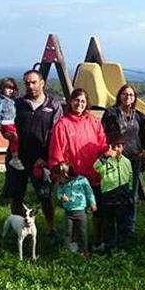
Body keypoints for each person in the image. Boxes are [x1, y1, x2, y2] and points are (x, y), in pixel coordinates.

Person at [3, 70, 63, 240]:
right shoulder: (17, 104)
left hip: (41, 162)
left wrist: (46, 159)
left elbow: (56, 135)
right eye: (27, 83)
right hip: (18, 160)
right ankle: (19, 230)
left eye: (33, 82)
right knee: (16, 196)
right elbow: (7, 126)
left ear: (42, 83)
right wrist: (6, 133)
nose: (30, 86)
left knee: (45, 196)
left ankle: (51, 230)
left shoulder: (54, 105)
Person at [48, 87, 108, 248]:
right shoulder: (62, 124)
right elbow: (57, 150)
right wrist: (60, 172)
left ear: (87, 103)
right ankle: (74, 242)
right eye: (76, 100)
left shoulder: (94, 122)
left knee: (97, 209)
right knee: (75, 211)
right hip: (73, 178)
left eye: (82, 101)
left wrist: (107, 152)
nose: (79, 104)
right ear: (70, 102)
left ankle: (97, 240)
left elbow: (102, 143)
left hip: (93, 173)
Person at [101, 83, 145, 237]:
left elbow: (141, 137)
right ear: (119, 96)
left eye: (131, 95)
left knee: (132, 196)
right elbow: (103, 134)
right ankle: (113, 231)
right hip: (116, 160)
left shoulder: (139, 116)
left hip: (134, 160)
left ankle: (129, 229)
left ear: (134, 98)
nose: (128, 97)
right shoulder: (110, 114)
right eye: (125, 94)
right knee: (114, 195)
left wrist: (143, 152)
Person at [94, 133, 135, 251]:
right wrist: (105, 156)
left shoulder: (126, 161)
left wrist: (130, 191)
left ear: (123, 147)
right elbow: (96, 167)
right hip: (108, 194)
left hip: (123, 193)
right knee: (108, 222)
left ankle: (122, 245)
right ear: (110, 147)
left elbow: (131, 176)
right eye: (114, 146)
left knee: (122, 220)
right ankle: (109, 245)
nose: (117, 149)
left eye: (119, 146)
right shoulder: (105, 160)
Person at [53, 161, 97, 256]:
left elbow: (89, 192)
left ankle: (85, 251)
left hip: (80, 211)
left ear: (65, 174)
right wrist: (61, 197)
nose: (58, 180)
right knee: (68, 232)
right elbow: (59, 193)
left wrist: (92, 203)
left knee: (82, 231)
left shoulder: (82, 180)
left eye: (59, 177)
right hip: (69, 212)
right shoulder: (62, 184)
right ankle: (68, 251)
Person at [0, 77, 24, 170]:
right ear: (2, 88)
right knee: (15, 137)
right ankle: (14, 158)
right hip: (6, 123)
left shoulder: (14, 99)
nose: (10, 91)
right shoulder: (0, 99)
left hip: (13, 122)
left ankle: (17, 154)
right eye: (8, 88)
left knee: (18, 138)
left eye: (12, 88)